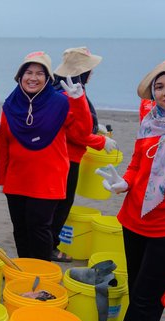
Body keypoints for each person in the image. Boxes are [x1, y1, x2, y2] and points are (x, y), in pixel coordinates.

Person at [96, 59, 165, 321]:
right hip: (133, 220)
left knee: (146, 303)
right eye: (159, 86)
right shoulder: (150, 120)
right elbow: (136, 163)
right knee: (138, 292)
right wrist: (126, 182)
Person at [0, 51, 92, 261]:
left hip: (48, 178)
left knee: (40, 229)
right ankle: (25, 274)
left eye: (40, 73)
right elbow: (3, 143)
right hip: (16, 179)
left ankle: (42, 275)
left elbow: (82, 133)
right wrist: (0, 178)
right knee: (20, 230)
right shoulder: (11, 105)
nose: (33, 77)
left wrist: (79, 101)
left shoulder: (60, 103)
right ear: (19, 77)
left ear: (48, 78)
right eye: (28, 72)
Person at [50, 47, 117, 262]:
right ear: (81, 72)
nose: (92, 73)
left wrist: (95, 130)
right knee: (60, 204)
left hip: (66, 157)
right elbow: (75, 133)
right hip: (65, 158)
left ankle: (47, 243)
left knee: (58, 204)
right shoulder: (67, 94)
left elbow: (78, 124)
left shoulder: (66, 90)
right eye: (90, 69)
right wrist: (100, 141)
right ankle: (50, 247)